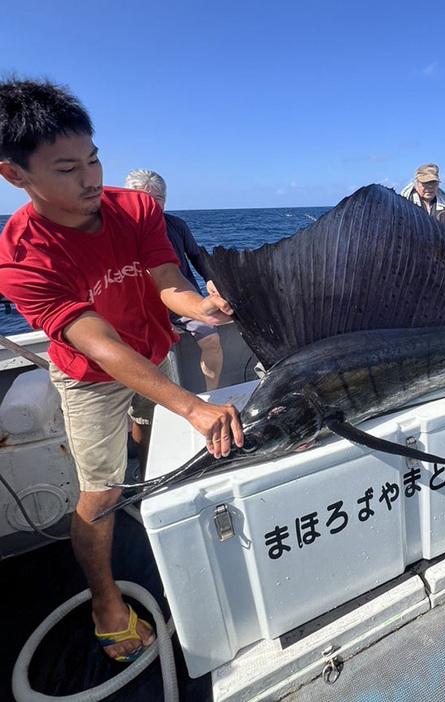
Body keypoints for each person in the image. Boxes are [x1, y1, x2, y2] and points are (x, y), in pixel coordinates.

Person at [0, 78, 244, 663]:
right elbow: (101, 346)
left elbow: (168, 282)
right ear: (16, 175)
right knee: (99, 491)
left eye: (94, 159)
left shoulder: (134, 207)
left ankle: (145, 498)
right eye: (67, 169)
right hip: (90, 378)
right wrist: (192, 406)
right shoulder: (20, 256)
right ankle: (106, 602)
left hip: (154, 350)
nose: (90, 179)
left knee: (150, 443)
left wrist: (203, 306)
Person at [125, 170, 224, 392]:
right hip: (144, 309)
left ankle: (213, 393)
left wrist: (210, 278)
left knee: (212, 341)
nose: (151, 204)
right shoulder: (120, 231)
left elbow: (196, 255)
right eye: (143, 198)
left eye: (157, 199)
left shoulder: (176, 225)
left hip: (184, 302)